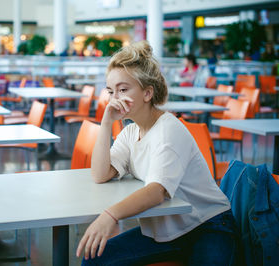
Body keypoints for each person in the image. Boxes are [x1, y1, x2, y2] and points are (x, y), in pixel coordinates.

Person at [76, 41, 238, 265]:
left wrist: (110, 215)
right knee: (94, 260)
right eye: (111, 91)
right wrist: (105, 124)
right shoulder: (130, 131)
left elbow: (156, 192)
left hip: (209, 227)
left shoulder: (168, 129)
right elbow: (100, 174)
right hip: (167, 233)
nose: (116, 98)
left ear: (147, 93)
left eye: (123, 90)